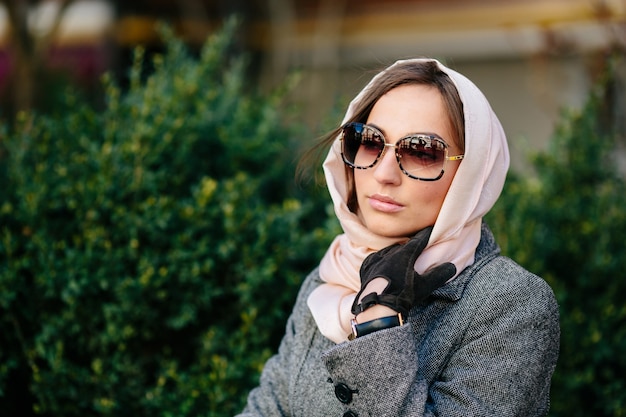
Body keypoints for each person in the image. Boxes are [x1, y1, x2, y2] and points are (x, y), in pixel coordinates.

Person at [237, 58, 560, 416]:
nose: (384, 173)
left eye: (422, 151)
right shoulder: (329, 279)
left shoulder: (510, 304)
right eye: (370, 142)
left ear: (471, 173)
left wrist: (380, 322)